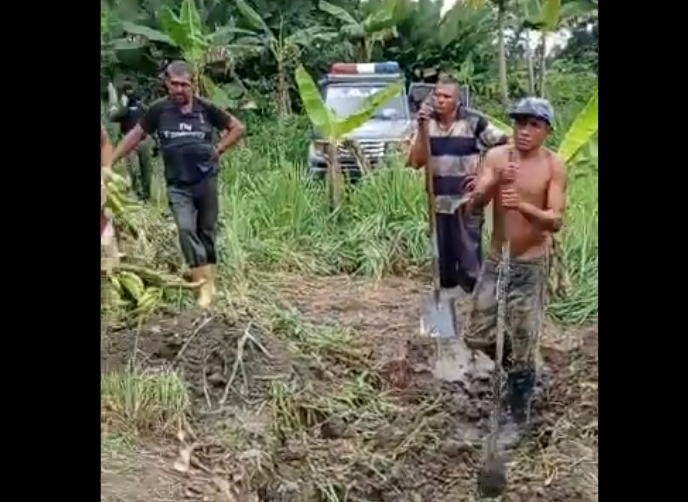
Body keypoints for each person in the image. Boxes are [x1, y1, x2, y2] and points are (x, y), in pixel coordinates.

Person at [463, 97, 567, 436]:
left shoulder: (553, 165)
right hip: (497, 261)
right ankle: (519, 371)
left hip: (531, 264)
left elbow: (555, 220)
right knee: (476, 335)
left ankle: (518, 410)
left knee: (523, 337)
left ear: (546, 131)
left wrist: (523, 206)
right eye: (520, 123)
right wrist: (492, 184)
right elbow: (474, 203)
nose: (524, 130)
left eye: (534, 125)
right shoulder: (496, 157)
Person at [105, 60, 245, 308]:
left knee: (207, 231)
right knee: (184, 229)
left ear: (192, 84)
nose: (179, 89)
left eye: (185, 85)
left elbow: (237, 128)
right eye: (175, 84)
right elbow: (135, 135)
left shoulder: (206, 108)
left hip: (205, 180)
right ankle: (202, 286)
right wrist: (110, 162)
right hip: (178, 184)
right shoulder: (159, 110)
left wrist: (218, 149)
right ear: (167, 83)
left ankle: (209, 283)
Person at [408, 75, 508, 296]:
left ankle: (477, 298)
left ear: (458, 100)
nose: (440, 100)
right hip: (439, 198)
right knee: (444, 255)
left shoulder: (474, 122)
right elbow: (417, 161)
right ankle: (448, 299)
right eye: (437, 95)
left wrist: (484, 175)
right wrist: (422, 128)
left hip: (468, 198)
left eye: (446, 96)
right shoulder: (427, 123)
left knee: (469, 252)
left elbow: (504, 145)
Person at [109, 82, 154, 201]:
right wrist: (123, 104)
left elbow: (150, 115)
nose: (130, 92)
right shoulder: (124, 107)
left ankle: (146, 195)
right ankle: (136, 193)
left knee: (146, 170)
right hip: (129, 141)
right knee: (134, 170)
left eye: (131, 89)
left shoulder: (140, 105)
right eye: (128, 90)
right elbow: (114, 117)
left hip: (144, 140)